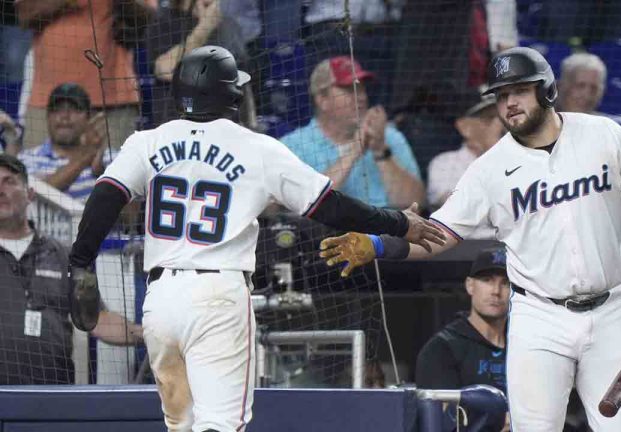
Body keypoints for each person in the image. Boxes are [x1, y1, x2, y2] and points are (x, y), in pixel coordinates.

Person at [67, 45, 444, 432]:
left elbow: (105, 197)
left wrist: (80, 263)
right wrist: (397, 222)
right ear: (231, 94)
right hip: (218, 296)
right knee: (221, 424)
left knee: (181, 426)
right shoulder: (256, 147)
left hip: (160, 300)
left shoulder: (146, 141)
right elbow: (329, 206)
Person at [319, 47, 621, 431]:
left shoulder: (602, 134)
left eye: (518, 91)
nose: (509, 103)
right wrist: (382, 246)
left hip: (612, 310)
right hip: (540, 317)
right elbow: (440, 234)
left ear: (546, 90)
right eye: (501, 95)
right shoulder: (489, 170)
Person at [0, 154, 141, 385]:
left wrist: (146, 333)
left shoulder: (64, 255)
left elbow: (96, 319)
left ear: (30, 195)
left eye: (9, 181)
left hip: (53, 397)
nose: (1, 190)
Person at [280, 56, 425, 209]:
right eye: (350, 90)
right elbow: (305, 206)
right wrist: (354, 151)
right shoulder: (291, 146)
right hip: (324, 232)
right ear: (323, 100)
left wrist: (380, 151)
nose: (361, 97)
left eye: (362, 89)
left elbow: (416, 205)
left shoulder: (390, 137)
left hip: (387, 231)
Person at [15, 0, 141, 151]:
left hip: (113, 99)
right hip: (48, 102)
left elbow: (147, 17)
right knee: (37, 172)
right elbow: (24, 15)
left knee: (117, 173)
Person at [144, 0, 251, 127]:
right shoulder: (162, 22)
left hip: (226, 126)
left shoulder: (230, 25)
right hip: (180, 125)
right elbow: (165, 70)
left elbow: (244, 84)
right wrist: (203, 28)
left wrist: (251, 124)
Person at [416, 247, 509, 392]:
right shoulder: (443, 348)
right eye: (487, 280)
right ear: (470, 285)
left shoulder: (525, 345)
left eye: (505, 283)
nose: (496, 291)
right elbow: (440, 411)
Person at [18, 83, 108, 201]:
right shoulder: (26, 159)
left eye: (75, 109)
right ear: (48, 116)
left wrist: (103, 176)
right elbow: (35, 196)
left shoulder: (110, 158)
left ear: (89, 117)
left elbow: (130, 215)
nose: (65, 116)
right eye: (57, 109)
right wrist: (85, 158)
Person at [427, 86, 503, 209]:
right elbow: (452, 206)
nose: (499, 125)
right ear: (464, 127)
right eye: (488, 119)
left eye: (501, 117)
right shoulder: (445, 163)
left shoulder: (520, 157)